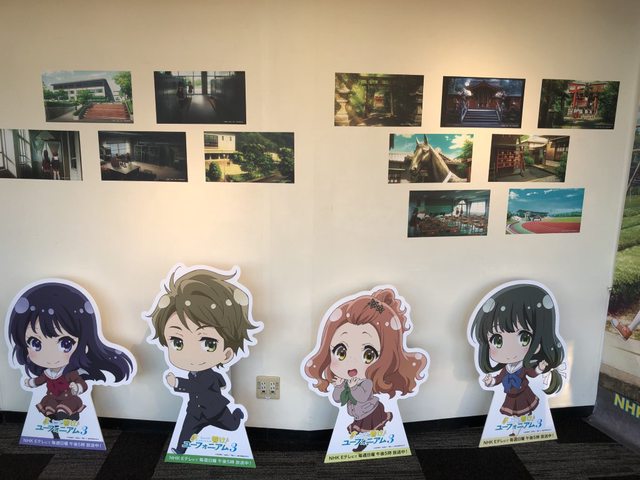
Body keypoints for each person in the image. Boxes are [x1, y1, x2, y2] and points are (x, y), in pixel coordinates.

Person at [146, 267, 261, 455]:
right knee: (186, 430)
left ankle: (237, 416)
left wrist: (177, 383)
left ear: (226, 354)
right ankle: (180, 449)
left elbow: (197, 386)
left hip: (217, 411)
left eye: (208, 343)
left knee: (232, 425)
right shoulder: (195, 374)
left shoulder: (210, 376)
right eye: (177, 342)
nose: (191, 355)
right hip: (195, 412)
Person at [303, 287, 427, 452]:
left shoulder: (366, 383)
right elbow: (338, 398)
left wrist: (353, 385)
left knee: (369, 431)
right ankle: (367, 441)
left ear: (386, 358)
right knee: (363, 432)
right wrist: (339, 385)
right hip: (358, 414)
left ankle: (371, 444)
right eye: (341, 352)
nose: (352, 363)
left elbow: (361, 396)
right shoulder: (345, 381)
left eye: (368, 355)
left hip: (371, 412)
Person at [7, 282, 135, 421]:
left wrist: (77, 387)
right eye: (35, 343)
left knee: (67, 405)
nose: (50, 356)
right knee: (48, 405)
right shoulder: (46, 373)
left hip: (68, 398)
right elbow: (39, 380)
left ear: (84, 343)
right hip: (51, 397)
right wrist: (31, 382)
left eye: (65, 343)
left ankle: (64, 413)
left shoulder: (70, 373)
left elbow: (81, 383)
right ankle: (52, 415)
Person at [470, 282, 565, 417]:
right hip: (510, 394)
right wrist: (490, 381)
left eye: (524, 338)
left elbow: (532, 373)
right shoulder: (506, 369)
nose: (509, 351)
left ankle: (528, 419)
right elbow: (498, 378)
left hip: (524, 393)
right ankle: (516, 421)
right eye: (497, 340)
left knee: (528, 407)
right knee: (512, 411)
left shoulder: (524, 367)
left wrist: (540, 368)